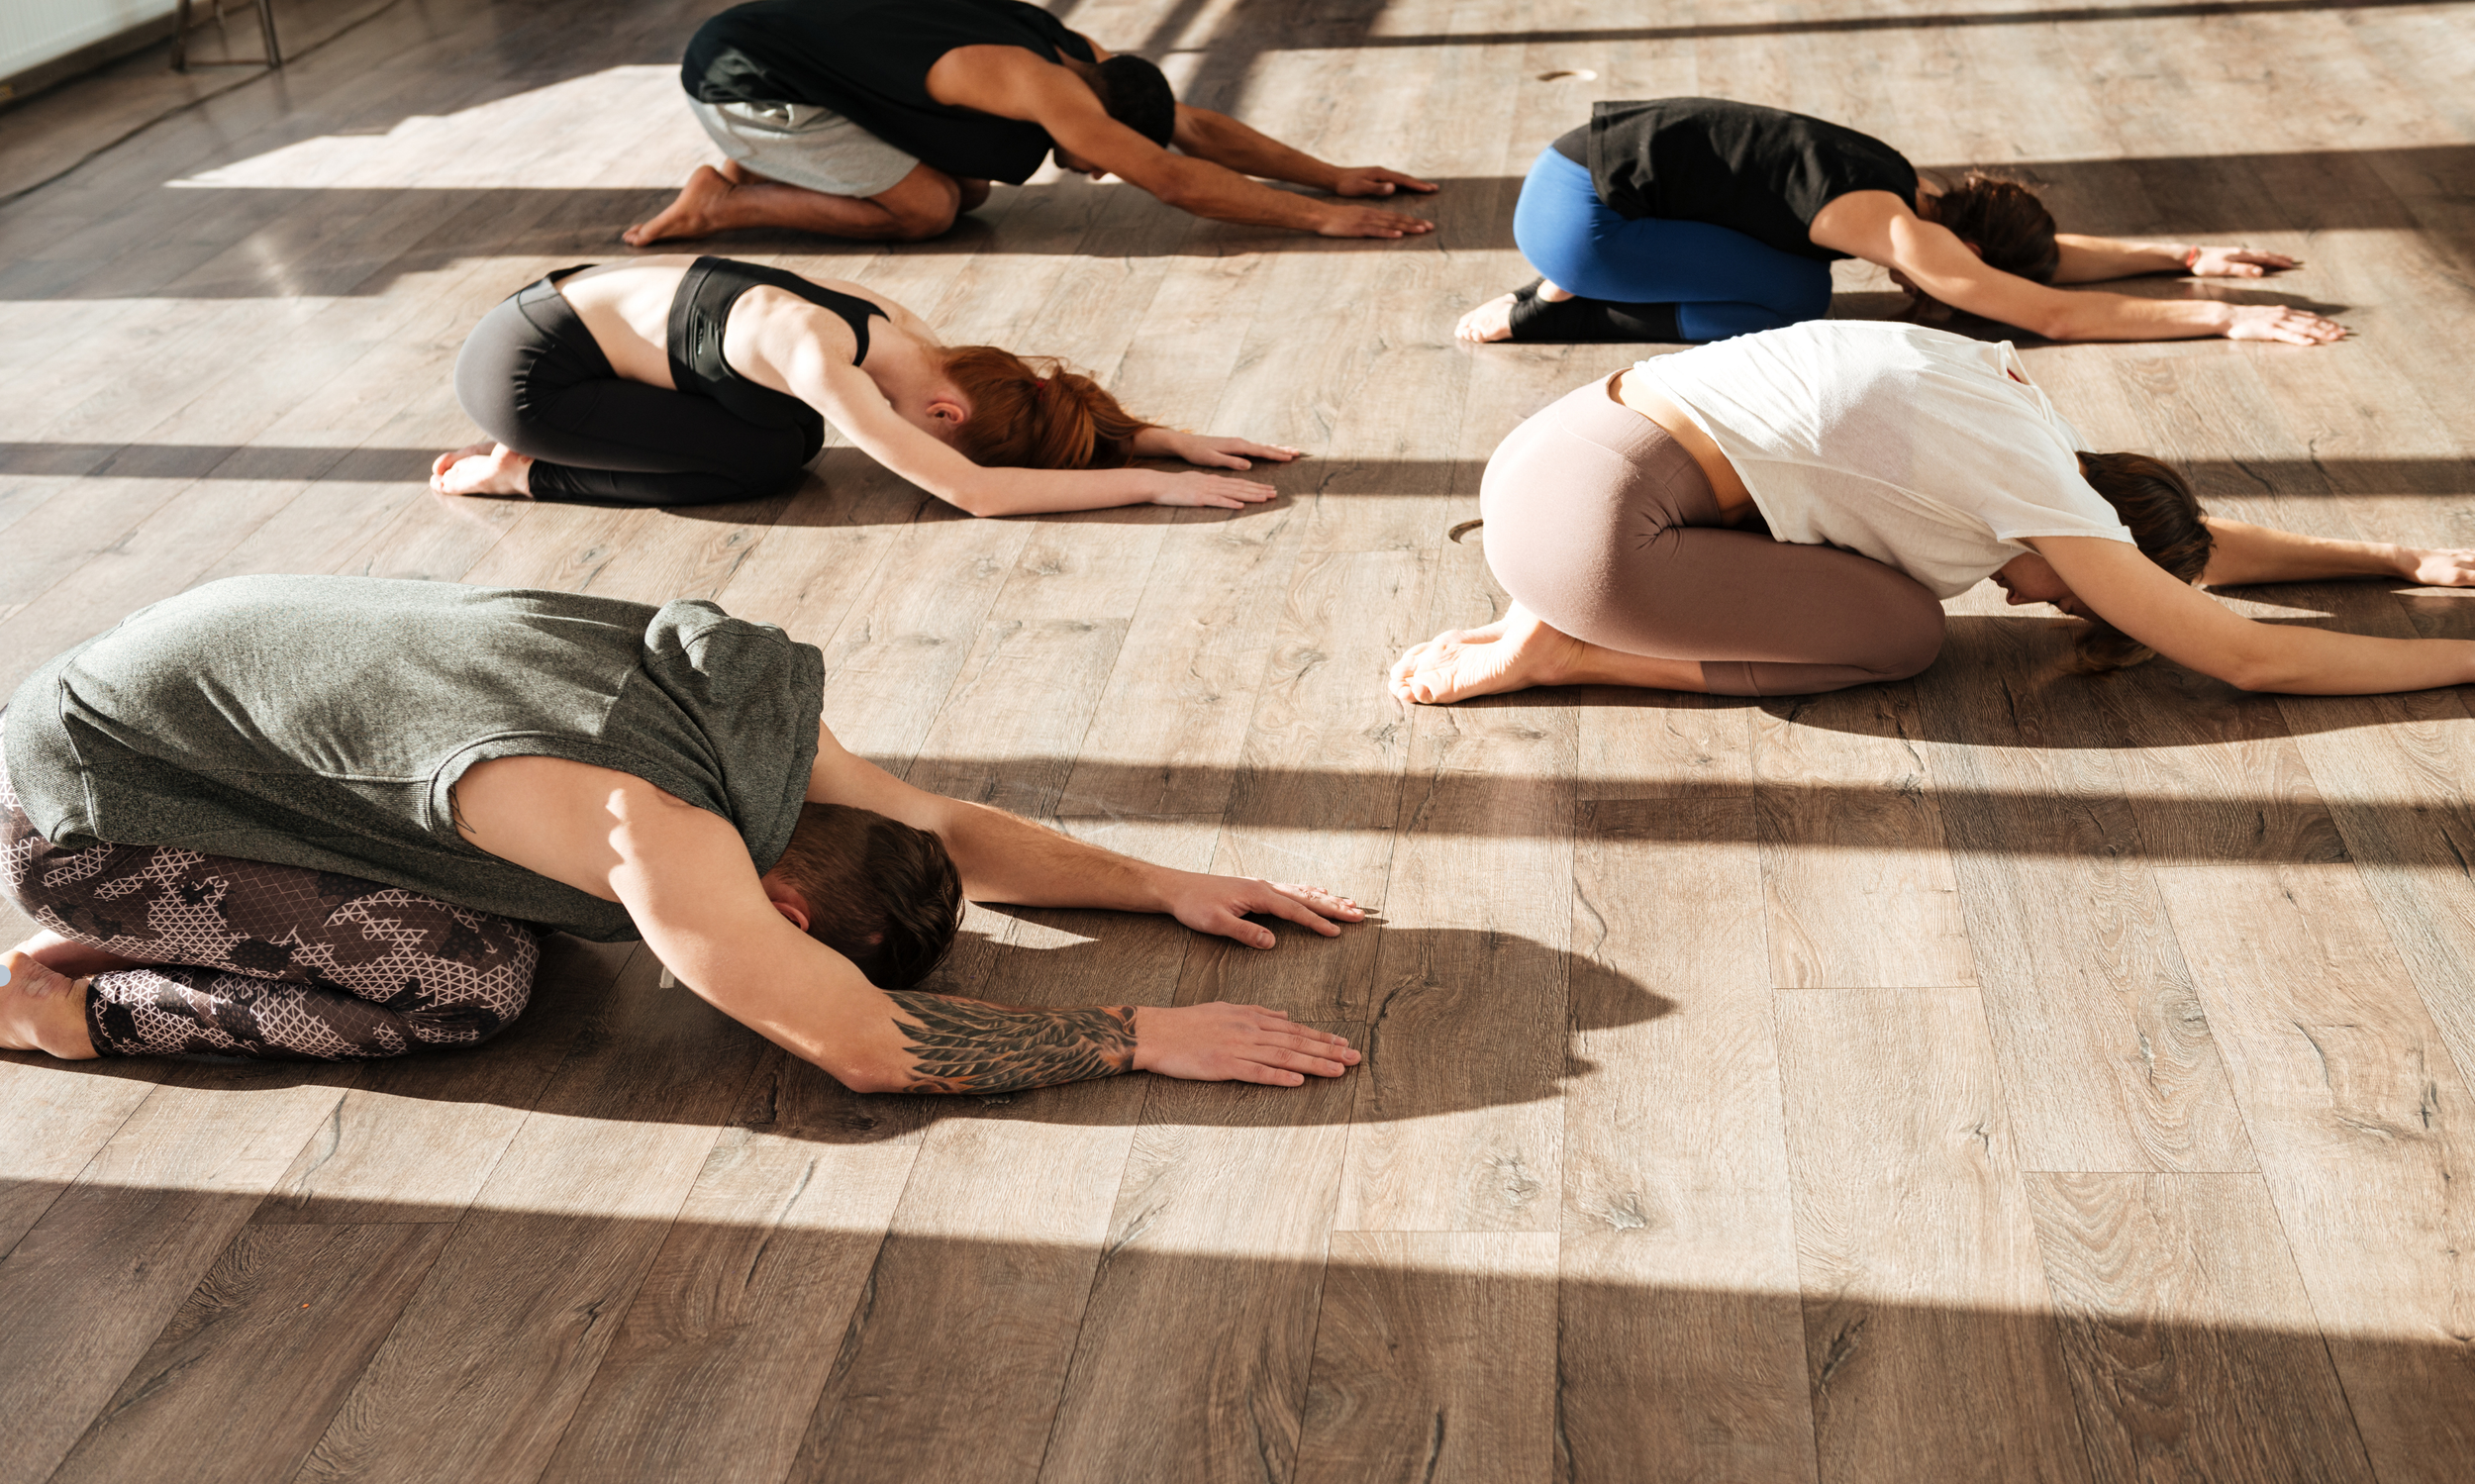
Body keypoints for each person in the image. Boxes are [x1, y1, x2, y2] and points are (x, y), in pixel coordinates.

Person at [1, 576, 1363, 1096]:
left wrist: (1169, 884)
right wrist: (1136, 1032)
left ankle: (183, 908)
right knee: (474, 982)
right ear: (790, 906)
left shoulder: (748, 722)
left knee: (525, 920)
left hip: (170, 683)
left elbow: (939, 823)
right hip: (90, 795)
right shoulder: (646, 825)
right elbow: (861, 1043)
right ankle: (62, 1010)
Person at [1391, 320, 2475, 706]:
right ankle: (1570, 653)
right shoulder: (2040, 495)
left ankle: (1555, 616)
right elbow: (2252, 660)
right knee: (1905, 631)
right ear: (2103, 543)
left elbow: (2180, 555)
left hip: (1551, 456)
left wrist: (2397, 558)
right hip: (1596, 534)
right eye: (2080, 600)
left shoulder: (2016, 413)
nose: (2044, 605)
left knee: (1863, 568)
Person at [1454, 97, 2343, 348]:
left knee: (1796, 273)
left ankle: (1581, 279)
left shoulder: (1904, 188)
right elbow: (2051, 311)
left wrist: (2181, 255)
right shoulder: (1901, 230)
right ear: (1965, 248)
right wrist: (2225, 315)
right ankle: (1558, 307)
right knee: (1794, 299)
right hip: (1583, 223)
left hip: (1569, 165)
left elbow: (2023, 269)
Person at [432, 254, 1296, 510]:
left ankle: (559, 449)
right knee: (765, 461)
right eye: (938, 436)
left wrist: (1152, 436)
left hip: (567, 315)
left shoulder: (905, 339)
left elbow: (1033, 413)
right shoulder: (818, 356)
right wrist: (1150, 486)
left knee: (789, 438)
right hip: (524, 375)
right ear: (947, 410)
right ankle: (524, 470)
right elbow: (975, 492)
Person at [622, 0, 1436, 247]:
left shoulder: (1081, 55)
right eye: (1102, 154)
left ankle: (764, 172)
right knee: (928, 209)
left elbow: (1189, 129)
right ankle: (725, 202)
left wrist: (1327, 172)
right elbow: (1173, 177)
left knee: (969, 190)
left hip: (796, 62)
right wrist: (1323, 217)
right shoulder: (1040, 88)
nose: (1099, 168)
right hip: (742, 82)